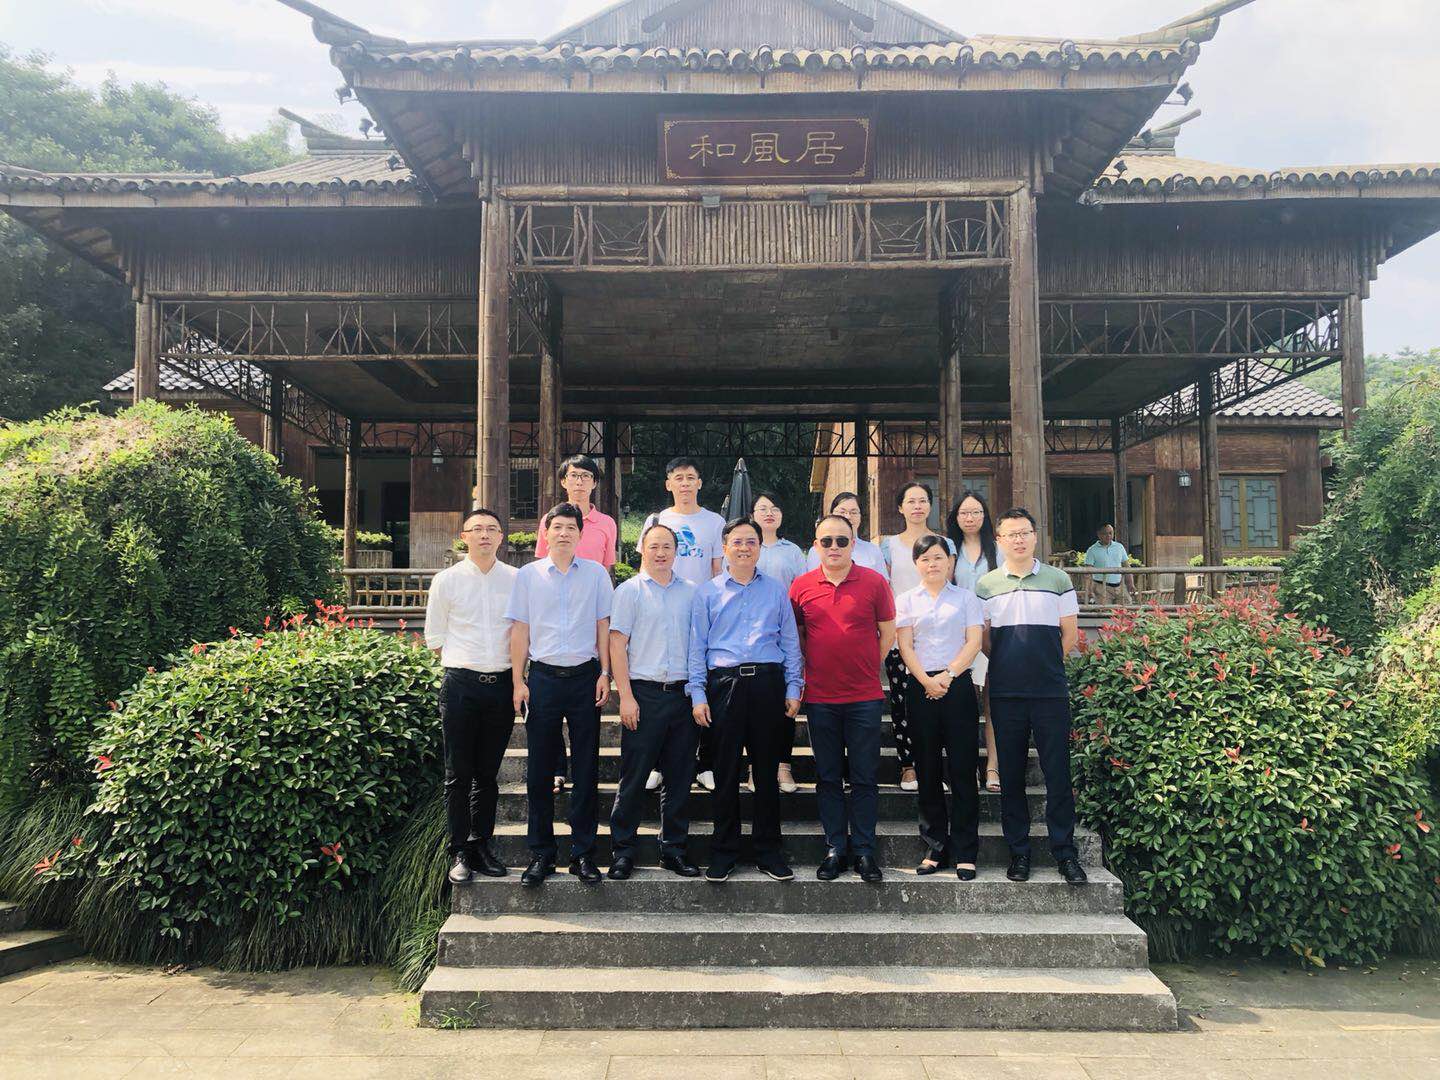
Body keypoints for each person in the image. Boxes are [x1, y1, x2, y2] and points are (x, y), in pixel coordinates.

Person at [975, 508, 1087, 886]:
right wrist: (1009, 664)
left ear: (1035, 536)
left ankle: (1065, 853)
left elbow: (1069, 634)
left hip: (1050, 691)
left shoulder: (1058, 579)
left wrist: (1045, 664)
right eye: (1011, 534)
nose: (1019, 539)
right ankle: (1019, 852)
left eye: (1025, 532)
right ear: (999, 541)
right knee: (1010, 774)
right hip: (1006, 692)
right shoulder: (987, 585)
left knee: (1058, 773)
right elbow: (985, 640)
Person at [688, 517, 804, 882]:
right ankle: (724, 851)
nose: (744, 548)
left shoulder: (775, 591)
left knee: (766, 772)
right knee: (724, 772)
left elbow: (790, 641)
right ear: (724, 547)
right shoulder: (707, 593)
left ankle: (769, 851)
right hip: (725, 685)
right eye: (736, 542)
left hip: (768, 685)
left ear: (759, 548)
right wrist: (697, 693)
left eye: (751, 542)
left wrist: (793, 686)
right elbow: (697, 647)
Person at [506, 502, 614, 887]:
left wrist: (605, 673)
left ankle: (583, 854)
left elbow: (603, 626)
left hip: (585, 677)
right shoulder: (528, 576)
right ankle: (541, 854)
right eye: (558, 527)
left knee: (585, 768)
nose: (564, 533)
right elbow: (520, 630)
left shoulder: (597, 574)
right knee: (539, 769)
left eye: (571, 527)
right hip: (544, 679)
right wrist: (518, 681)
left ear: (581, 534)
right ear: (545, 533)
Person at [790, 513, 895, 883]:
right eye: (826, 541)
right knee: (829, 776)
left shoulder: (874, 582)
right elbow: (798, 636)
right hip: (821, 697)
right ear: (815, 545)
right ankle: (835, 848)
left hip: (864, 696)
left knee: (865, 777)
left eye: (841, 540)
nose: (834, 547)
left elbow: (887, 632)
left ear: (853, 544)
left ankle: (864, 851)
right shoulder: (801, 586)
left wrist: (866, 664)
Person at [425, 506, 518, 885]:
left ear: (501, 537)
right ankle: (459, 851)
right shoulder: (446, 580)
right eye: (476, 529)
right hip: (461, 685)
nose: (484, 535)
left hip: (502, 685)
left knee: (487, 775)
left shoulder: (515, 579)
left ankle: (482, 845)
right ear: (464, 537)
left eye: (491, 529)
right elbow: (435, 639)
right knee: (457, 775)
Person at [606, 522, 702, 879]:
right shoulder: (629, 591)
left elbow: (700, 645)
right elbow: (617, 645)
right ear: (642, 550)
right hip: (643, 694)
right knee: (634, 777)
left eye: (667, 547)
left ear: (677, 551)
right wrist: (625, 696)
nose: (660, 553)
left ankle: (673, 850)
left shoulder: (692, 592)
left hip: (682, 694)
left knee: (679, 778)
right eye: (654, 546)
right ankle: (623, 851)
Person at [895, 534, 985, 880]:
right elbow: (905, 646)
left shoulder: (965, 598)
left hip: (957, 685)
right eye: (925, 559)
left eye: (938, 558)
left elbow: (973, 641)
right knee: (928, 769)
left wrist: (947, 676)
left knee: (962, 769)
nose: (932, 564)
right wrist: (927, 681)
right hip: (920, 687)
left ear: (950, 561)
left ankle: (965, 851)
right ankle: (935, 847)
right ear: (916, 564)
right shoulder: (906, 600)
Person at [643, 457, 728, 791]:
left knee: (705, 684)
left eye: (691, 477)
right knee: (668, 688)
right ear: (668, 484)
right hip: (663, 612)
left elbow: (718, 570)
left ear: (699, 483)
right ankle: (660, 763)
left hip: (702, 612)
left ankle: (705, 762)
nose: (685, 483)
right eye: (678, 477)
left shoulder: (715, 522)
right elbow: (645, 567)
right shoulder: (657, 520)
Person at [536, 454, 619, 797]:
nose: (580, 481)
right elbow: (541, 569)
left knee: (584, 718)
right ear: (563, 481)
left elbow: (608, 568)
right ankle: (557, 769)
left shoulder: (607, 523)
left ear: (595, 483)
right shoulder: (551, 520)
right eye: (574, 475)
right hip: (555, 623)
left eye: (586, 476)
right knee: (549, 708)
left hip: (590, 618)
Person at [879, 482, 955, 794]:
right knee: (902, 703)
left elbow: (949, 586)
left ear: (930, 506)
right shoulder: (887, 546)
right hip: (902, 637)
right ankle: (908, 765)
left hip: (940, 638)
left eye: (923, 500)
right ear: (900, 507)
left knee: (941, 705)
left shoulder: (945, 543)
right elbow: (885, 589)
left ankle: (938, 767)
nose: (917, 506)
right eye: (910, 501)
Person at [748, 491, 807, 793]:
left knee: (786, 700)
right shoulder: (747, 547)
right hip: (749, 637)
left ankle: (783, 765)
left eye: (774, 508)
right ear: (752, 515)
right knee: (752, 707)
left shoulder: (793, 551)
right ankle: (753, 768)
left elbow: (804, 590)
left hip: (785, 634)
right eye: (762, 508)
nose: (769, 513)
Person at [948, 491, 1002, 794]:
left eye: (976, 512)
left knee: (992, 703)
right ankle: (965, 765)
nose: (970, 518)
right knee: (963, 705)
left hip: (992, 633)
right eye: (964, 513)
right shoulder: (948, 548)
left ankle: (993, 765)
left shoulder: (998, 549)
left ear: (985, 515)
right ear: (955, 517)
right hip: (958, 636)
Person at [805, 491, 887, 577]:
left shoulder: (873, 551)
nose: (848, 517)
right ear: (831, 515)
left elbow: (882, 583)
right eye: (842, 512)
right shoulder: (817, 551)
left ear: (860, 517)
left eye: (853, 512)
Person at [1082, 523, 1130, 606]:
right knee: (1105, 610)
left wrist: (1130, 583)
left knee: (1127, 607)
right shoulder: (1092, 550)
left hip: (1120, 585)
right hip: (1101, 587)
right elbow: (1088, 572)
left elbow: (1126, 566)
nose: (1108, 536)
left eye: (1110, 533)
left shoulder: (1119, 547)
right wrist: (1089, 589)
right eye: (1105, 533)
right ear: (1099, 534)